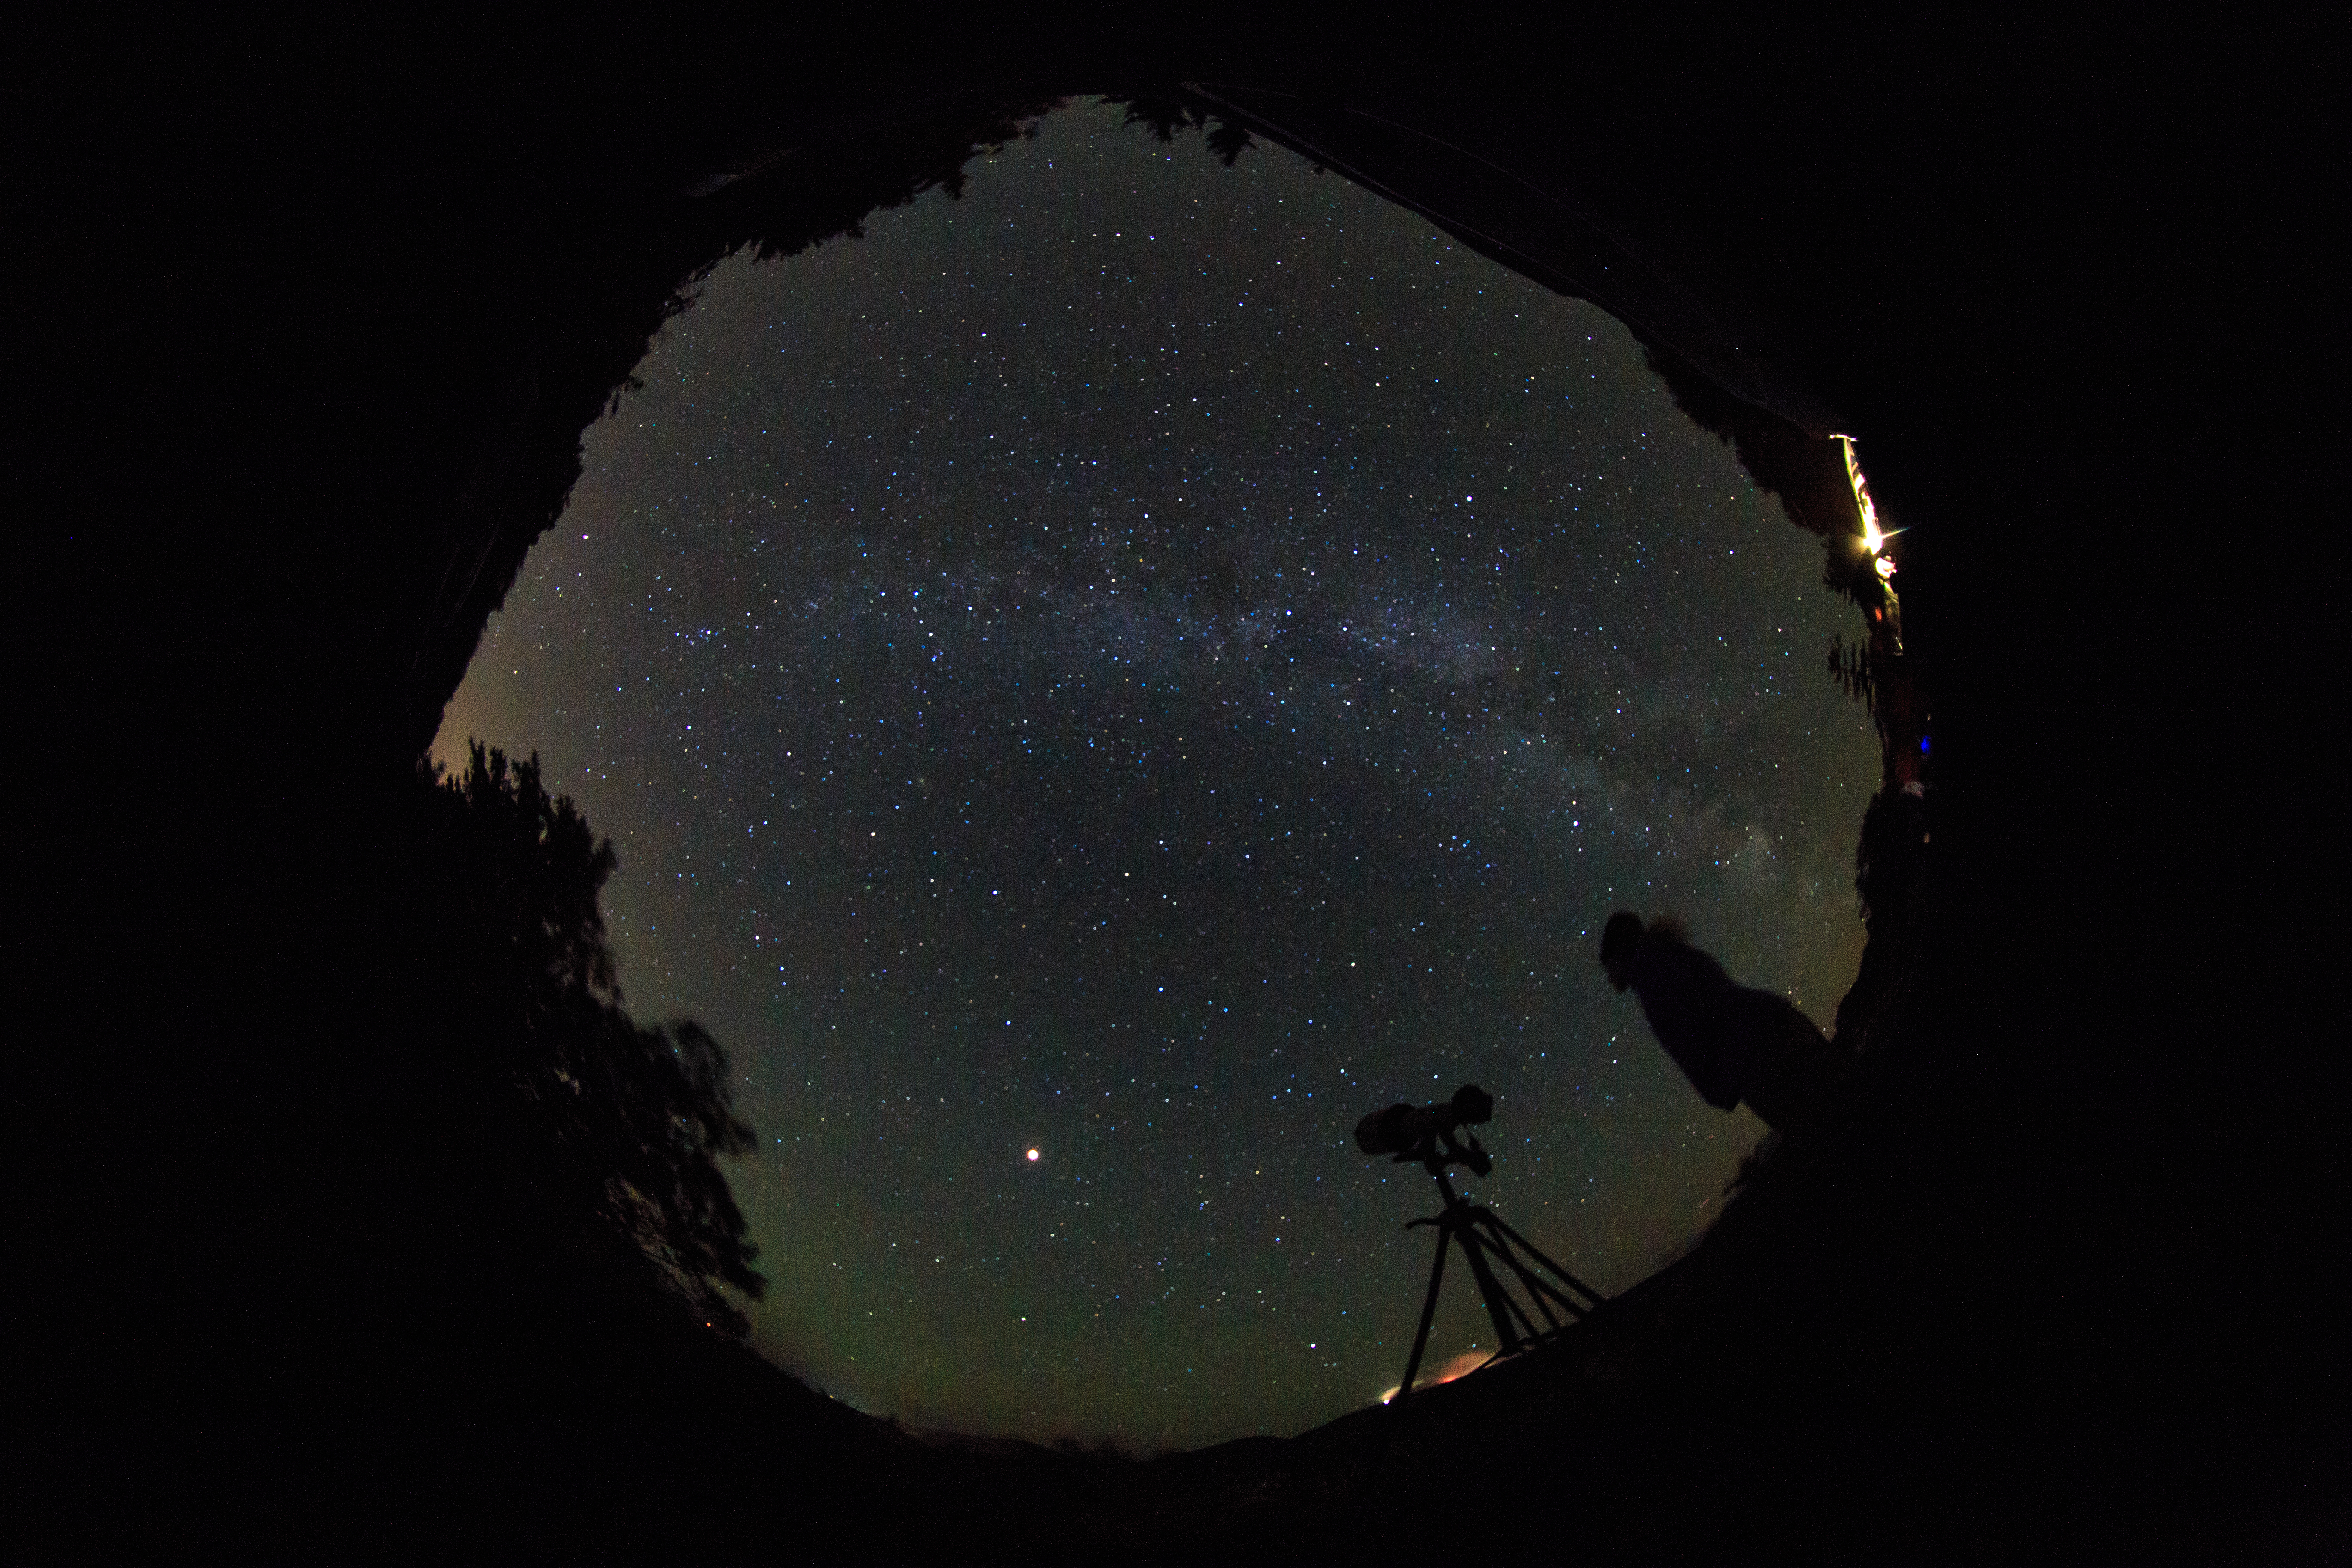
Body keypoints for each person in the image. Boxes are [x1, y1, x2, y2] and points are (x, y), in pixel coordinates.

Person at [1599, 911, 1851, 1132]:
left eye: (1609, 967)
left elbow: (1692, 1032)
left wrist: (1717, 1087)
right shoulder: (1668, 958)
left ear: (1620, 953)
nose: (1610, 979)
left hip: (1759, 1055)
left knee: (1828, 1127)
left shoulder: (1654, 976)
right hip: (1767, 1031)